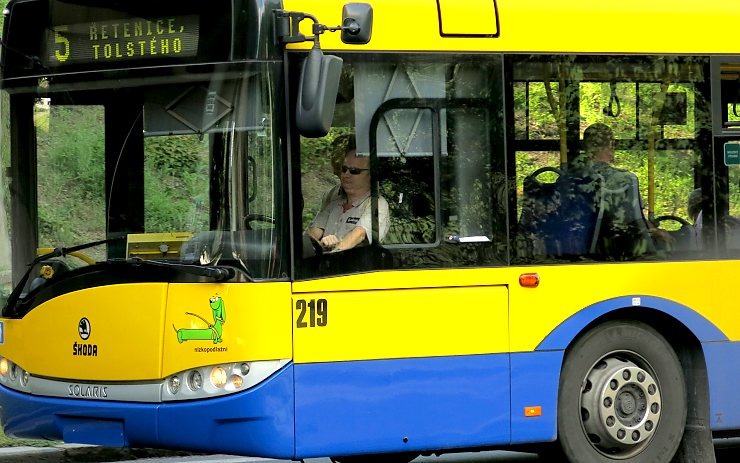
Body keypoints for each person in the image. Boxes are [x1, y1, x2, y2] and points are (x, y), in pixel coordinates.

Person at [306, 134, 390, 252]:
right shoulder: (334, 200)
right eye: (344, 169)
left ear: (371, 174)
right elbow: (313, 233)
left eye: (354, 171)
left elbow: (359, 234)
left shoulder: (377, 204)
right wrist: (311, 246)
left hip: (354, 268)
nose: (346, 174)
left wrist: (335, 248)